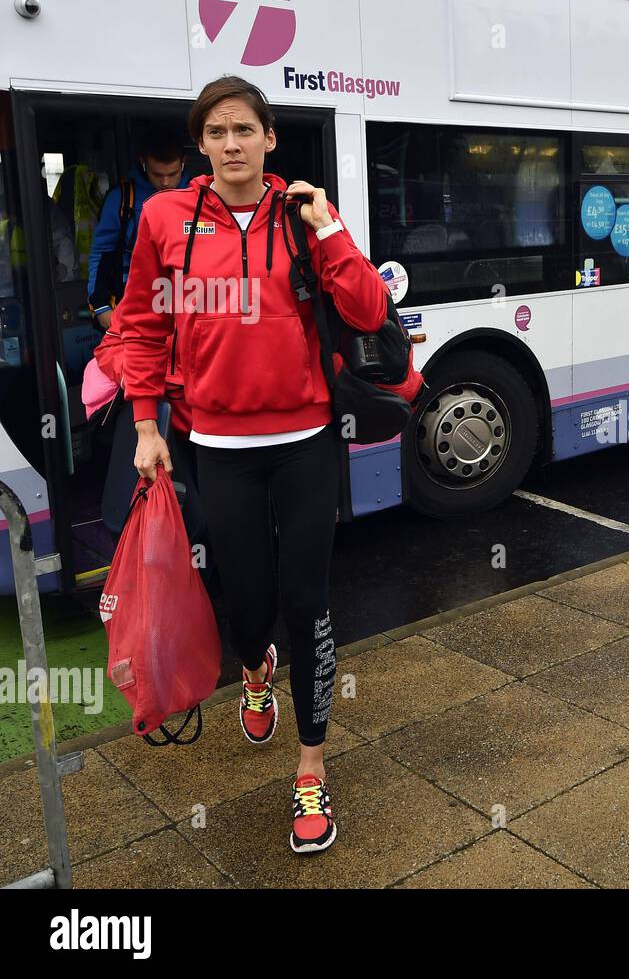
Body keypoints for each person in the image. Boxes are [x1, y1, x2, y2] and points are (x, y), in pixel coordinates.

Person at [115, 75, 393, 854]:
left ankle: (310, 769)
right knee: (244, 605)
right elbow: (142, 321)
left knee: (307, 603)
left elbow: (370, 312)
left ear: (270, 139)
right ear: (202, 146)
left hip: (305, 440)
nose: (232, 144)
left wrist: (330, 229)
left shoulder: (303, 215)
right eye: (216, 132)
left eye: (245, 130)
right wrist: (147, 424)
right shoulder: (165, 216)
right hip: (218, 447)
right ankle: (254, 666)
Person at [87, 128, 189, 330]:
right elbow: (103, 252)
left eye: (172, 174)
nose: (166, 182)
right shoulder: (123, 198)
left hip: (189, 298)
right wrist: (100, 306)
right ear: (143, 163)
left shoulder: (200, 196)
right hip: (134, 297)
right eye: (157, 174)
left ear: (183, 162)